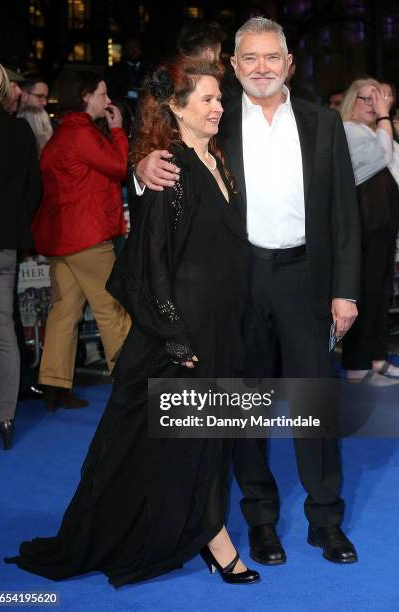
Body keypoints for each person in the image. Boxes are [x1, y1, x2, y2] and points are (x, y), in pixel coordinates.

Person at [6, 59, 259, 587]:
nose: (217, 108)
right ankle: (213, 538)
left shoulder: (218, 158)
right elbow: (152, 260)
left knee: (213, 435)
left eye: (219, 99)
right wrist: (173, 333)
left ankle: (210, 531)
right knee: (147, 441)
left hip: (221, 321)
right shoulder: (169, 168)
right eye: (207, 99)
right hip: (183, 326)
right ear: (176, 107)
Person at [135, 17, 361, 566]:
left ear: (288, 63)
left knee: (312, 405)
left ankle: (325, 519)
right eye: (250, 59)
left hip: (306, 276)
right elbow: (170, 150)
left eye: (271, 58)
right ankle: (261, 521)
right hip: (238, 282)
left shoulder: (323, 122)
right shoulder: (218, 119)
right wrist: (140, 169)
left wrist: (345, 291)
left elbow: (343, 215)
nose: (261, 68)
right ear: (234, 67)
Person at [31, 70, 131, 411]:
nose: (108, 101)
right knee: (112, 308)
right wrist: (118, 131)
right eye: (103, 94)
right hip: (86, 237)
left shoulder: (64, 134)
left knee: (65, 312)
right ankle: (129, 385)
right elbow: (120, 166)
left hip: (63, 237)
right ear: (86, 95)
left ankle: (54, 387)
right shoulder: (80, 133)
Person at [0, 59, 41, 452]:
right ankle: (5, 416)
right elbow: (33, 189)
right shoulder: (19, 130)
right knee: (4, 330)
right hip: (6, 242)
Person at [340, 78, 399, 385]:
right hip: (366, 225)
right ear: (354, 100)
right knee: (365, 294)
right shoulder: (348, 130)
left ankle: (376, 359)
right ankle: (357, 365)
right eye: (367, 99)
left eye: (378, 100)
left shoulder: (373, 130)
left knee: (381, 293)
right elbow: (383, 156)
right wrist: (385, 117)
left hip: (384, 225)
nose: (373, 105)